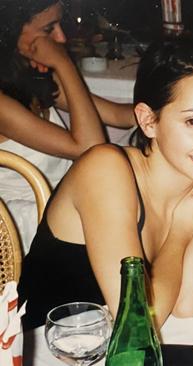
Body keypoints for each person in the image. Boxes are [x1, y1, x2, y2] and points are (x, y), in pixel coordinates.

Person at [18, 34, 193, 330]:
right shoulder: (105, 170)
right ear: (149, 120)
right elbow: (139, 321)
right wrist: (180, 233)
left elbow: (191, 304)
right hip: (50, 354)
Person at [0, 0, 135, 248]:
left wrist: (165, 108)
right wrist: (63, 63)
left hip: (63, 207)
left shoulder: (29, 77)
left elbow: (118, 116)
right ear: (11, 31)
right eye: (50, 28)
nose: (61, 37)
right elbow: (91, 148)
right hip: (27, 228)